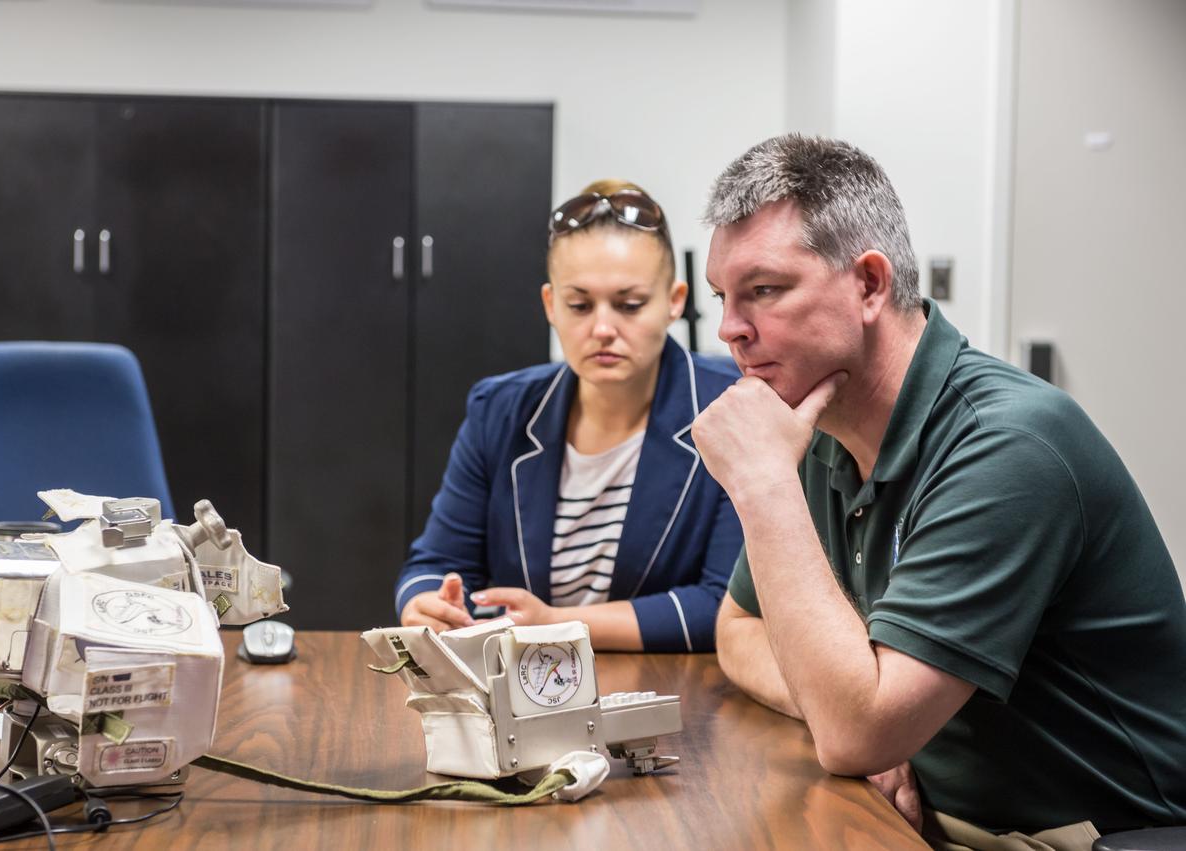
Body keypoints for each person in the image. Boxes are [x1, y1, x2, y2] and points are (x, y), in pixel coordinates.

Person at [691, 134, 1186, 849]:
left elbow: (855, 728)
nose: (730, 329)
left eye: (762, 290)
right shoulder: (817, 423)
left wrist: (763, 485)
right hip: (934, 822)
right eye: (722, 298)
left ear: (868, 283)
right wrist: (848, 712)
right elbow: (738, 631)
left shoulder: (1010, 444)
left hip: (1102, 837)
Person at [395, 180, 743, 652]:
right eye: (579, 305)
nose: (602, 328)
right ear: (550, 305)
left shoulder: (730, 410)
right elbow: (434, 563)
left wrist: (557, 624)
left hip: (676, 696)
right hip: (524, 694)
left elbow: (723, 606)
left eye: (629, 304)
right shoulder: (499, 409)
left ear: (675, 301)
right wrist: (424, 604)